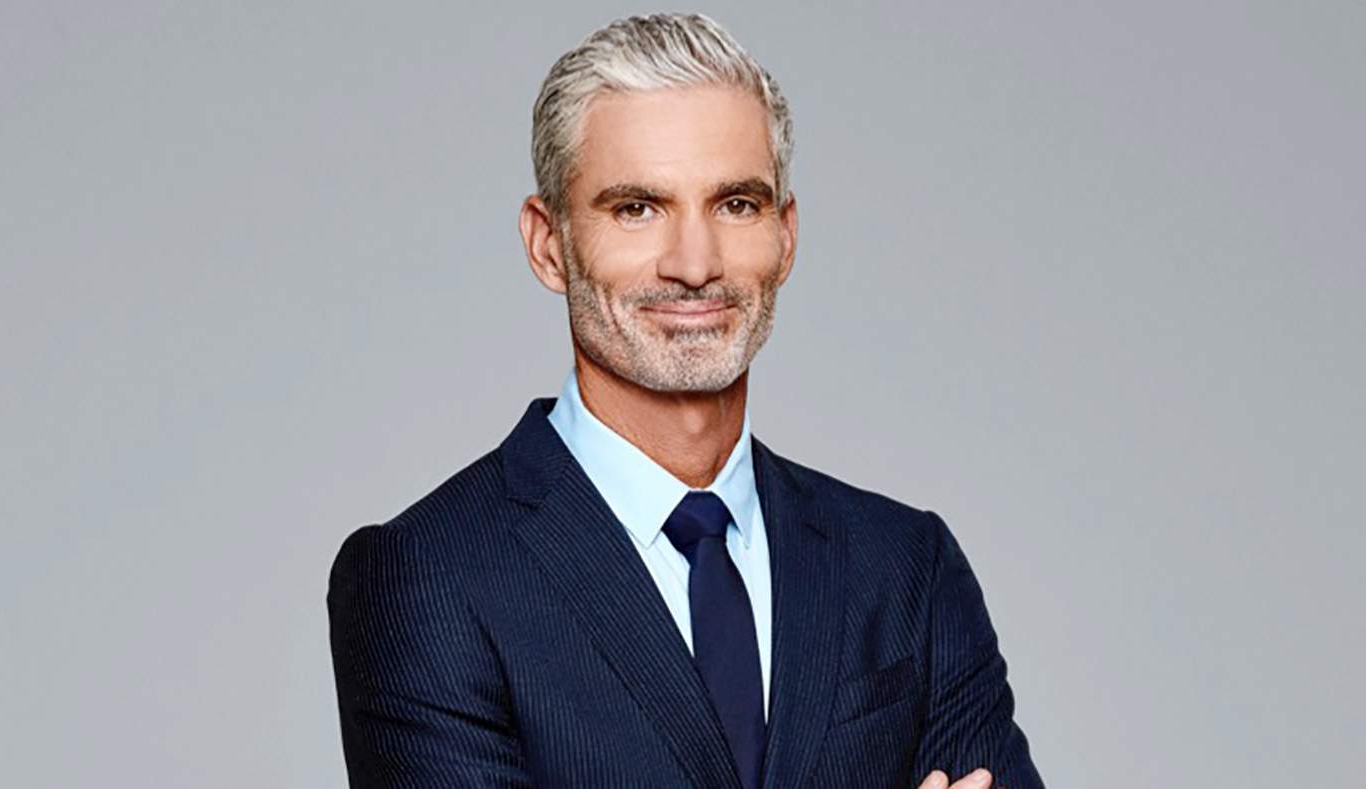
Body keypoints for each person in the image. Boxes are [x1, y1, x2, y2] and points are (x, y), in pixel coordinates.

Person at [327, 12, 1043, 789]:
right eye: (637, 207)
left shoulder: (907, 567)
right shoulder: (428, 577)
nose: (695, 264)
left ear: (786, 235)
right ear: (548, 243)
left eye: (736, 204)